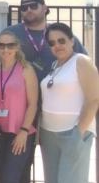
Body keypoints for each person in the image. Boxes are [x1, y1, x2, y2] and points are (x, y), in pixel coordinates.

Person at [2, 0, 87, 183]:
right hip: (22, 112)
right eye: (24, 7)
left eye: (33, 5)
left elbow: (85, 67)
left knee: (65, 172)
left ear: (45, 8)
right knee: (20, 167)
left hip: (59, 113)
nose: (29, 10)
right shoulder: (12, 34)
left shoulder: (60, 36)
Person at [39, 22, 99, 183]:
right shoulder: (54, 66)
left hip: (73, 132)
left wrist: (78, 132)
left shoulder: (81, 61)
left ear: (72, 41)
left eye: (61, 40)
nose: (57, 45)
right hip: (48, 134)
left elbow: (94, 99)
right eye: (52, 43)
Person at [0, 31, 38, 183]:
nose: (6, 49)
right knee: (3, 177)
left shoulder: (26, 69)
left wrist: (24, 131)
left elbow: (33, 104)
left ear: (17, 47)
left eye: (10, 45)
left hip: (21, 133)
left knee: (10, 179)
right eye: (1, 45)